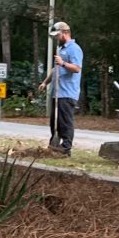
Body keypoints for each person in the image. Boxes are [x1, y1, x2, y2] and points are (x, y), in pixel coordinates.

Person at [41, 20, 83, 155]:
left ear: (65, 33)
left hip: (67, 93)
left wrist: (63, 63)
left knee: (65, 122)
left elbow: (77, 68)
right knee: (55, 122)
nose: (56, 39)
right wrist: (45, 83)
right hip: (57, 93)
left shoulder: (74, 49)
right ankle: (54, 146)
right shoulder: (60, 49)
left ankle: (65, 148)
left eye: (57, 36)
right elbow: (56, 69)